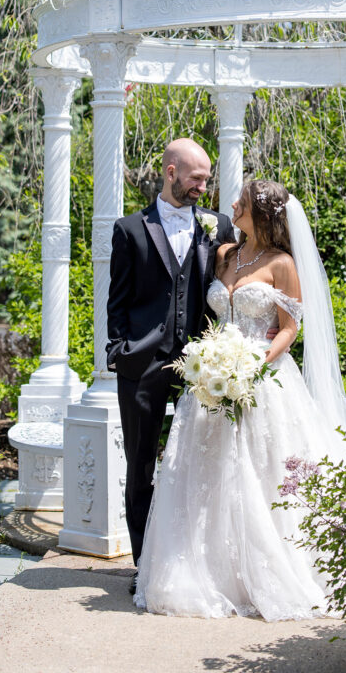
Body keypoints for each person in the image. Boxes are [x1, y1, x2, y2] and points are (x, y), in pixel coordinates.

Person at [134, 179, 346, 620]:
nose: (231, 203)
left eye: (241, 200)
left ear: (262, 212)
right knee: (204, 475)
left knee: (261, 475)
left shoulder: (283, 264)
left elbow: (290, 328)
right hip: (212, 382)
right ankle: (208, 573)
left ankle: (263, 572)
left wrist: (254, 364)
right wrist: (213, 362)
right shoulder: (224, 255)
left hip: (263, 380)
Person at [105, 138, 236, 589]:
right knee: (141, 464)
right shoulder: (130, 229)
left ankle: (199, 561)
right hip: (142, 363)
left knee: (202, 461)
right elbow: (116, 300)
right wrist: (118, 350)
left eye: (207, 178)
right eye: (196, 177)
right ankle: (147, 566)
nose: (204, 185)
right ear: (170, 171)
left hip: (205, 366)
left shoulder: (218, 226)